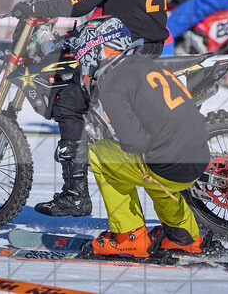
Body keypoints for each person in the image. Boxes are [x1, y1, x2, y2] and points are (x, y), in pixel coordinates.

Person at [12, 0, 169, 218]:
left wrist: (37, 9)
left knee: (68, 98)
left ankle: (74, 193)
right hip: (150, 45)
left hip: (124, 45)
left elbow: (82, 2)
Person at [67, 16, 211, 259]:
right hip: (198, 158)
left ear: (100, 48)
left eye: (85, 49)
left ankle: (129, 237)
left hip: (170, 166)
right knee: (155, 162)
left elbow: (136, 143)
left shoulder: (112, 81)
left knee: (100, 154)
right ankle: (183, 236)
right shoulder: (149, 65)